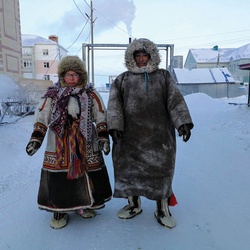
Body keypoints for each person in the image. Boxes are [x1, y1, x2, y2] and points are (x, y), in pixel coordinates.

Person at [107, 38, 194, 228]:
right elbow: (114, 105)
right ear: (131, 57)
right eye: (136, 55)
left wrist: (183, 123)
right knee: (129, 171)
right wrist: (114, 126)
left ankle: (162, 209)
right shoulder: (122, 80)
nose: (140, 59)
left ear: (151, 56)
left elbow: (175, 101)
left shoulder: (163, 77)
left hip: (159, 139)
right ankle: (133, 204)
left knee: (161, 172)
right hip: (129, 138)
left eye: (144, 55)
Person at [26, 56, 112, 229]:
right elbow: (42, 115)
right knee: (60, 175)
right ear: (62, 76)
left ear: (81, 76)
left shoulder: (90, 94)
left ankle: (84, 204)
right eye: (68, 74)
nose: (72, 78)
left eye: (76, 74)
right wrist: (36, 139)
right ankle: (59, 210)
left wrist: (103, 137)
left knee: (85, 171)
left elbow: (101, 114)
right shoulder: (52, 94)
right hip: (59, 141)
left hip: (85, 140)